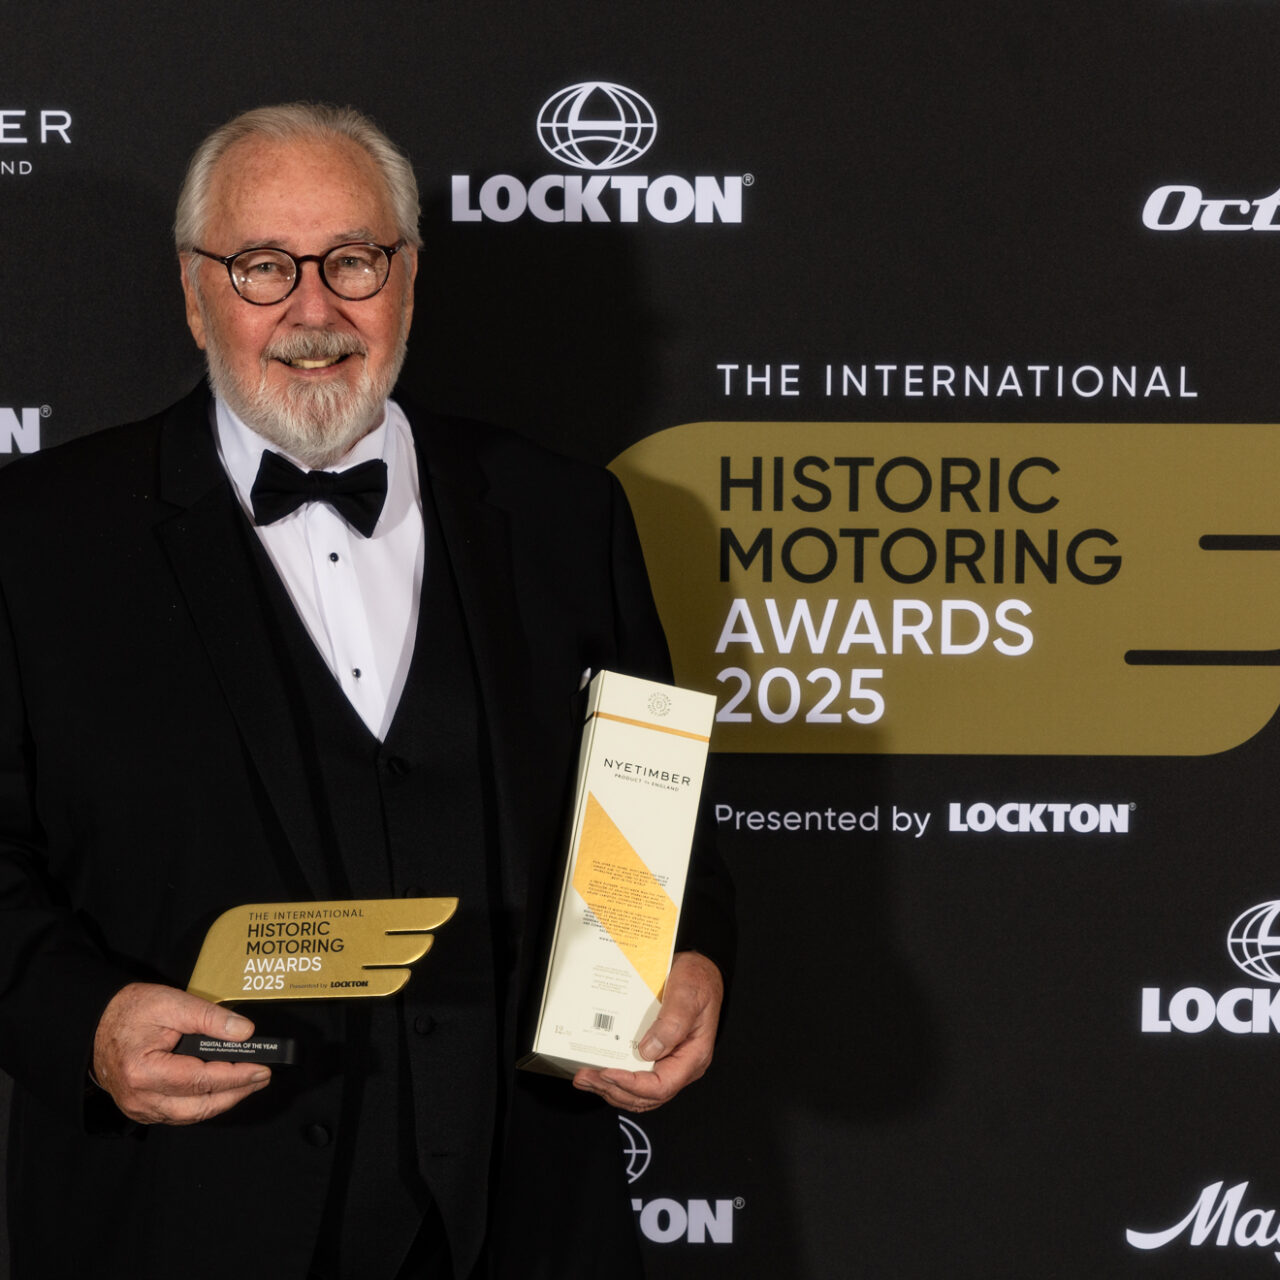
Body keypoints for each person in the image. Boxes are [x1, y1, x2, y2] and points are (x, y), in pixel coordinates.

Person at [0, 103, 733, 1280]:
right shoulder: (38, 537)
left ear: (407, 277)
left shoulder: (562, 513)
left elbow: (656, 814)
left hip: (523, 1217)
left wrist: (688, 955)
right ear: (194, 293)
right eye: (262, 266)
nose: (313, 309)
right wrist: (82, 1023)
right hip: (179, 1217)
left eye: (352, 260)